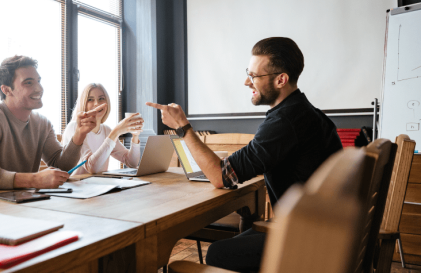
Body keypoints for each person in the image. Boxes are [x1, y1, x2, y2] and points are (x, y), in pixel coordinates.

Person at [147, 37, 343, 272]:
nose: (246, 82)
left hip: (305, 237)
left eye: (254, 76)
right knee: (242, 237)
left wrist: (183, 127)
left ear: (281, 79)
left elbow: (221, 176)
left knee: (219, 253)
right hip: (323, 228)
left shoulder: (285, 121)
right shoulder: (309, 114)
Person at [0, 55, 104, 190]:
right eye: (28, 83)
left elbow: (61, 166)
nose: (39, 88)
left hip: (20, 204)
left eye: (38, 81)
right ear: (7, 90)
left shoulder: (42, 124)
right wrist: (34, 180)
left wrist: (79, 134)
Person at [62, 83, 144, 175]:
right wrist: (116, 132)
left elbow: (131, 163)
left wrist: (135, 135)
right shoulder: (75, 128)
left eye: (101, 99)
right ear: (83, 104)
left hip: (99, 185)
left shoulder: (106, 130)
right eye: (90, 100)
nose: (97, 104)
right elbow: (91, 167)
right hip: (77, 186)